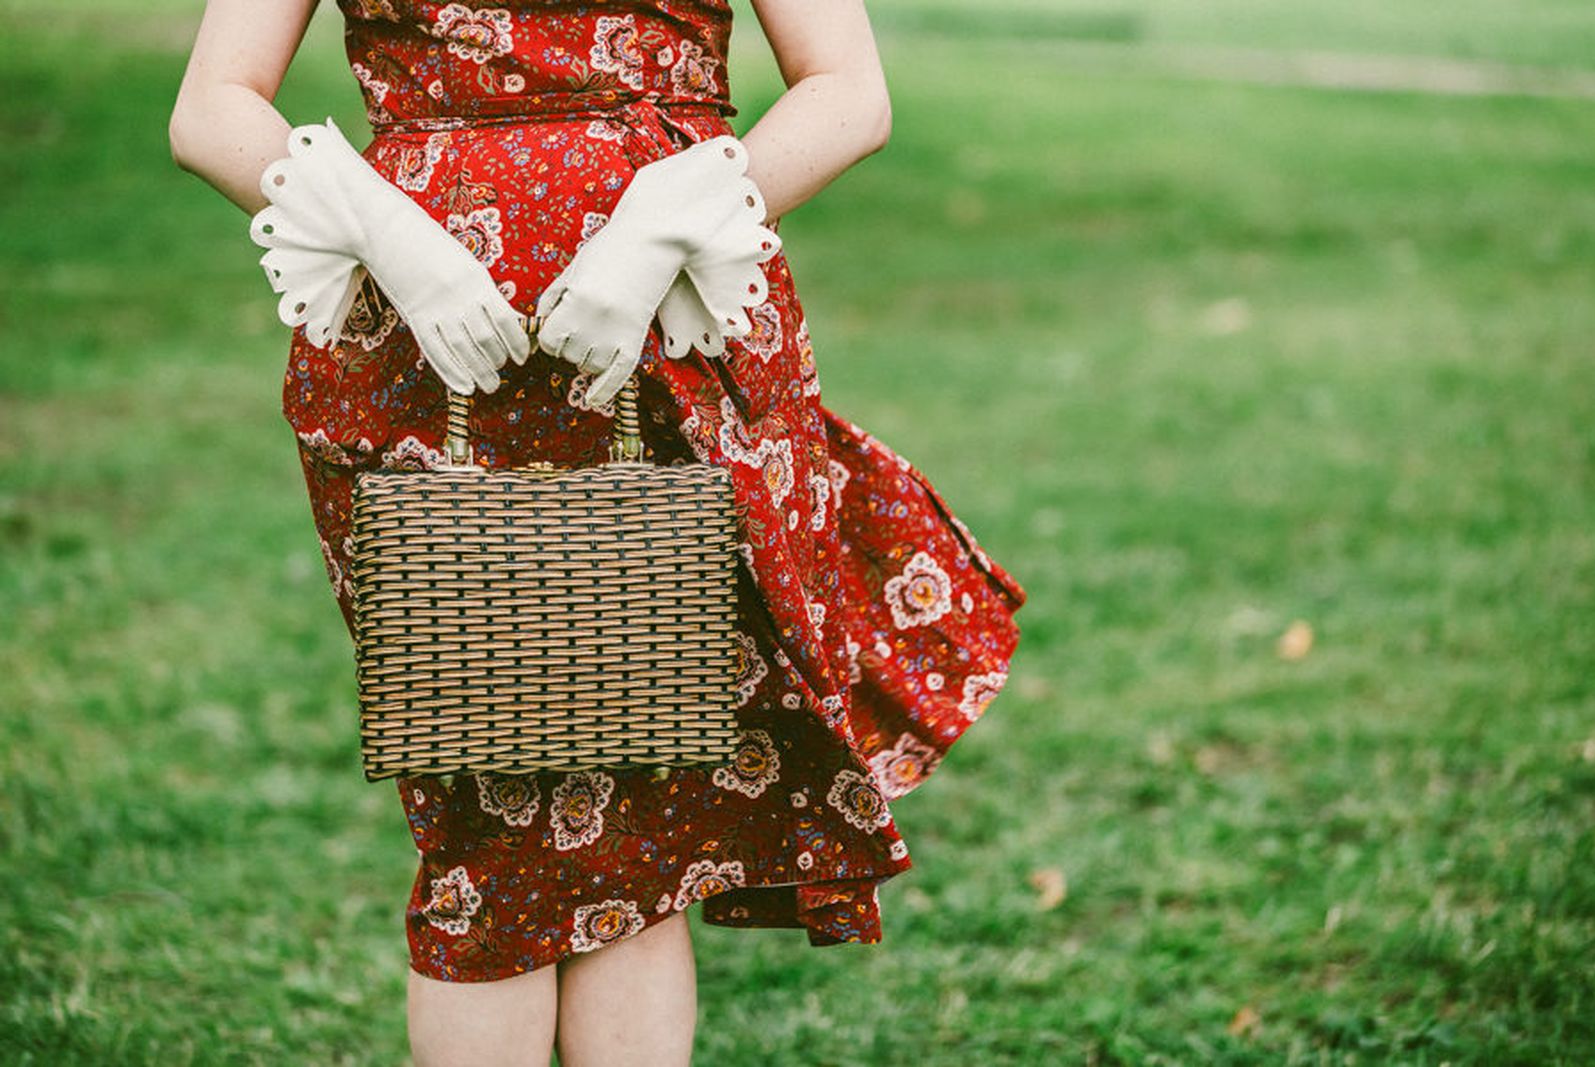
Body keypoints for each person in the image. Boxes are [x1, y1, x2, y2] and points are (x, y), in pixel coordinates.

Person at [170, 2, 1027, 1064]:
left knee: (646, 803)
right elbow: (209, 106)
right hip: (421, 354)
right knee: (484, 801)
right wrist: (378, 226)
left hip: (675, 329)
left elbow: (850, 91)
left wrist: (675, 216)